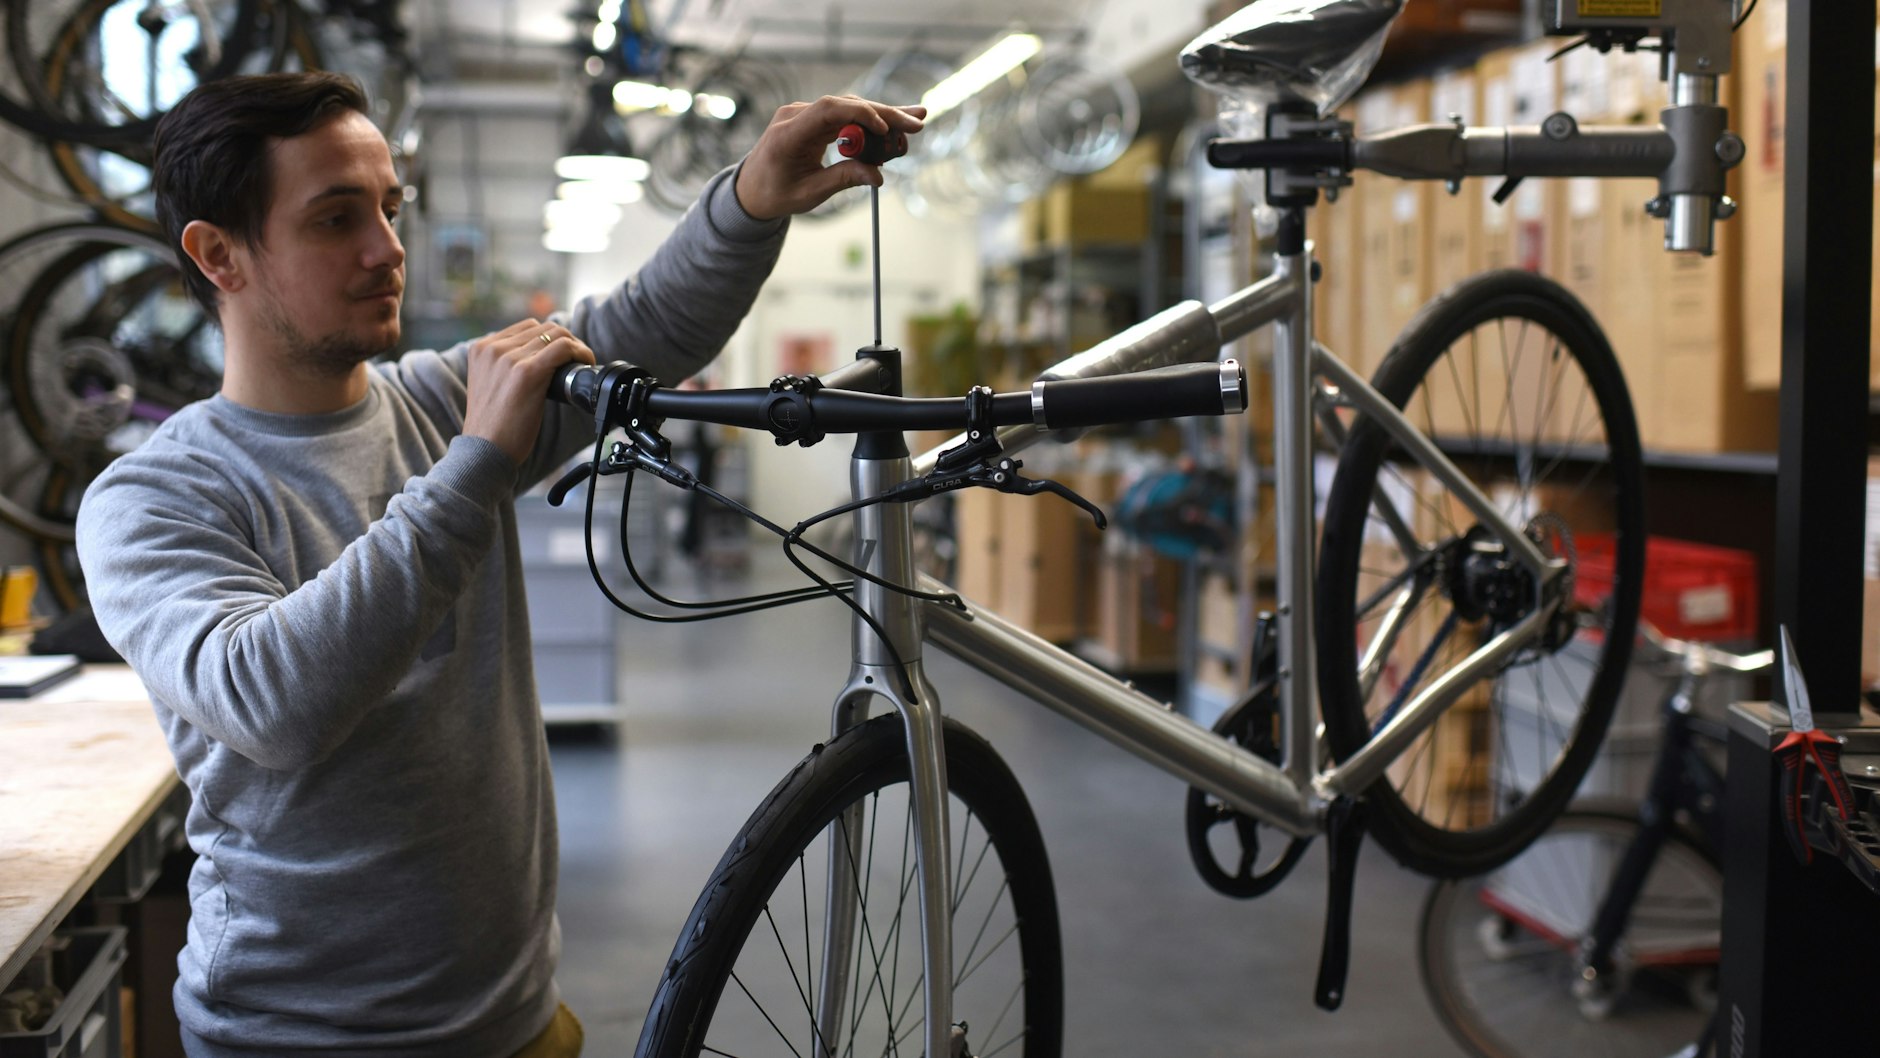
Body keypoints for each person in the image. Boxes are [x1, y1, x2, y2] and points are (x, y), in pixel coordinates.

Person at [73, 70, 923, 1058]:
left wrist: (748, 199)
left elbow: (635, 326)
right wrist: (473, 465)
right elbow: (271, 699)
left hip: (514, 1014)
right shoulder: (154, 496)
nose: (387, 249)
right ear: (219, 254)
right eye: (337, 217)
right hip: (298, 1038)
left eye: (390, 209)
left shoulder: (435, 398)